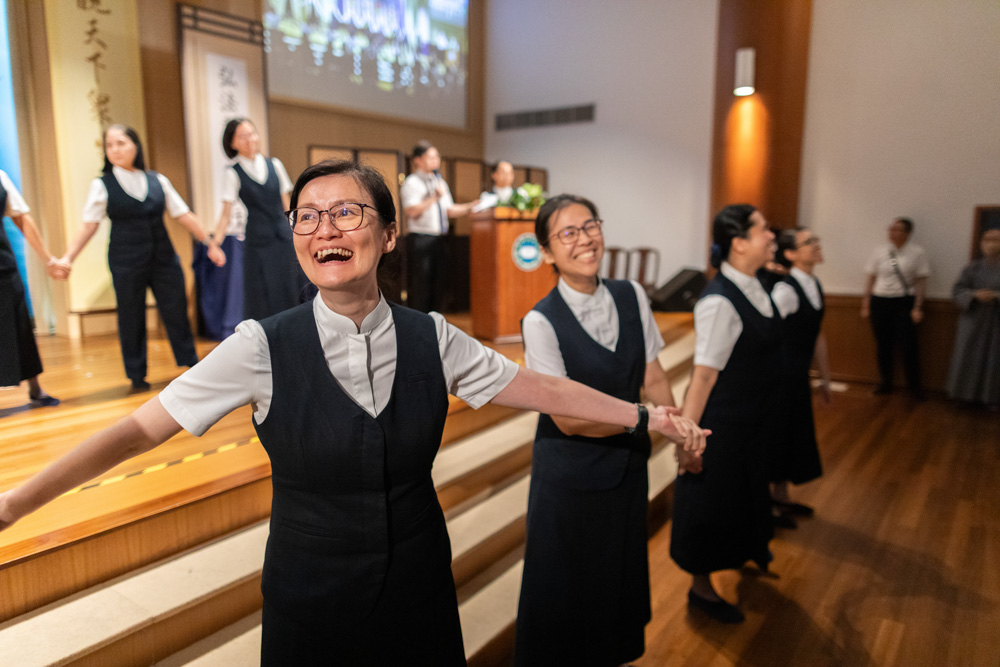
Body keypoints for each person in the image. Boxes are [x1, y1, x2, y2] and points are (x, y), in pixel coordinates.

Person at [0, 161, 706, 665]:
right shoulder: (260, 346)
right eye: (307, 216)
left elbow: (545, 390)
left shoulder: (433, 337)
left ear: (389, 235)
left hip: (420, 587)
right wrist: (13, 504)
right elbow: (135, 431)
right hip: (311, 597)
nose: (323, 228)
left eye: (346, 212)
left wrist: (649, 417)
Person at [514, 195, 703, 666]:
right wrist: (648, 419)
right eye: (568, 233)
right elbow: (567, 417)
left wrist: (681, 430)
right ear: (547, 252)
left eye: (590, 226)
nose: (585, 239)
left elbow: (652, 374)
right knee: (565, 593)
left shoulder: (631, 294)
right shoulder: (540, 320)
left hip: (626, 469)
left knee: (615, 583)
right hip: (569, 479)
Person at [670, 204, 778, 624]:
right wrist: (687, 439)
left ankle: (746, 551)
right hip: (724, 424)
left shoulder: (756, 285)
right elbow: (703, 377)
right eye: (763, 229)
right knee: (710, 505)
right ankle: (701, 589)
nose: (772, 236)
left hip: (752, 419)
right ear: (739, 243)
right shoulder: (719, 301)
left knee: (745, 497)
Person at [60, 125, 224, 391]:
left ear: (135, 146)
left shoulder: (157, 180)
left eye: (121, 143)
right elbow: (88, 225)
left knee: (176, 309)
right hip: (125, 259)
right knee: (131, 314)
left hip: (163, 257)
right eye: (109, 145)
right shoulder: (102, 184)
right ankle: (137, 375)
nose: (115, 149)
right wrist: (68, 258)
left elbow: (183, 214)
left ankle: (190, 363)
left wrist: (210, 243)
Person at [768, 228, 831, 527]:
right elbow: (765, 333)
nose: (816, 245)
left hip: (797, 376)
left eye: (816, 240)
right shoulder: (786, 290)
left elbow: (816, 334)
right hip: (780, 377)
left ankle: (781, 497)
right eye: (809, 242)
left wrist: (825, 378)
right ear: (791, 254)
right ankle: (766, 506)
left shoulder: (813, 284)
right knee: (776, 437)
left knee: (793, 435)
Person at [212, 117, 304, 321]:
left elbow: (287, 205)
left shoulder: (275, 164)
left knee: (289, 289)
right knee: (260, 296)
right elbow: (226, 214)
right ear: (232, 143)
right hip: (258, 242)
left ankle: (292, 331)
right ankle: (265, 336)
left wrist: (298, 230)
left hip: (283, 238)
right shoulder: (233, 173)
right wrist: (215, 244)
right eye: (242, 136)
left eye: (252, 134)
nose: (250, 139)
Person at [0, 169, 65, 407]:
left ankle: (36, 389)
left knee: (20, 325)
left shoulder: (0, 177)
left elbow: (21, 217)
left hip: (3, 264)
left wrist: (48, 259)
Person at [400, 140, 479, 313]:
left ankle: (435, 318)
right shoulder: (412, 182)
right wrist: (433, 198)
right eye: (431, 157)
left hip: (440, 238)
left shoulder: (439, 182)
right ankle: (420, 319)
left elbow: (449, 210)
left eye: (437, 157)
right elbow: (411, 211)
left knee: (440, 283)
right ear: (418, 160)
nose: (436, 160)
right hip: (421, 238)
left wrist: (470, 206)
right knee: (422, 283)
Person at [861, 217, 930, 397]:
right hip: (880, 301)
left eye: (897, 229)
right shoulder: (879, 251)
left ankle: (914, 388)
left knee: (908, 346)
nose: (892, 232)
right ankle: (885, 383)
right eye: (891, 228)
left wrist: (917, 307)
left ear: (907, 233)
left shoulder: (917, 252)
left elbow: (922, 282)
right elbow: (870, 278)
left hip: (904, 302)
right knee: (883, 345)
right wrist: (866, 304)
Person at [945, 226, 1000, 407]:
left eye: (995, 240)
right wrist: (974, 295)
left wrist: (995, 296)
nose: (991, 244)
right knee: (967, 356)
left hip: (995, 320)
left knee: (994, 359)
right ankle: (963, 396)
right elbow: (957, 291)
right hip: (973, 318)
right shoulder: (972, 268)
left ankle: (991, 399)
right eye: (987, 240)